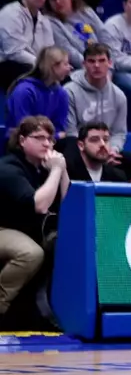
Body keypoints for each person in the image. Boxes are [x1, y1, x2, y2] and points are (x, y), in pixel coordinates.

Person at [0, 116, 67, 325]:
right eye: (39, 138)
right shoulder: (8, 168)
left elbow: (70, 202)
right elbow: (38, 205)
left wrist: (62, 170)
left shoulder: (43, 168)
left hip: (27, 230)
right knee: (30, 253)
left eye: (50, 139)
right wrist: (56, 170)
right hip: (3, 228)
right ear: (22, 140)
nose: (46, 143)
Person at [64, 43, 126, 152]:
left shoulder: (119, 95)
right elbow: (70, 133)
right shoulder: (69, 92)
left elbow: (119, 133)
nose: (97, 65)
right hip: (79, 151)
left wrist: (113, 150)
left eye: (102, 61)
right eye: (92, 61)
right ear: (84, 64)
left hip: (106, 151)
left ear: (110, 63)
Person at [0, 0, 53, 92]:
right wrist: (42, 65)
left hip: (33, 63)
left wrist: (56, 63)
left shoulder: (44, 19)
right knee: (31, 75)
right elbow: (13, 52)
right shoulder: (10, 13)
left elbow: (49, 49)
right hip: (6, 63)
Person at [7, 45, 70, 135]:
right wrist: (55, 136)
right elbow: (24, 128)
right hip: (21, 143)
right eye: (66, 64)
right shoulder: (24, 91)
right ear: (53, 66)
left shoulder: (61, 93)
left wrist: (53, 137)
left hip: (50, 141)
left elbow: (59, 126)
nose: (69, 68)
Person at [43, 0, 105, 67]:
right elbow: (69, 53)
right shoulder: (50, 22)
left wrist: (108, 64)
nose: (58, 1)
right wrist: (94, 66)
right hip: (84, 69)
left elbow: (105, 36)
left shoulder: (86, 12)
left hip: (105, 63)